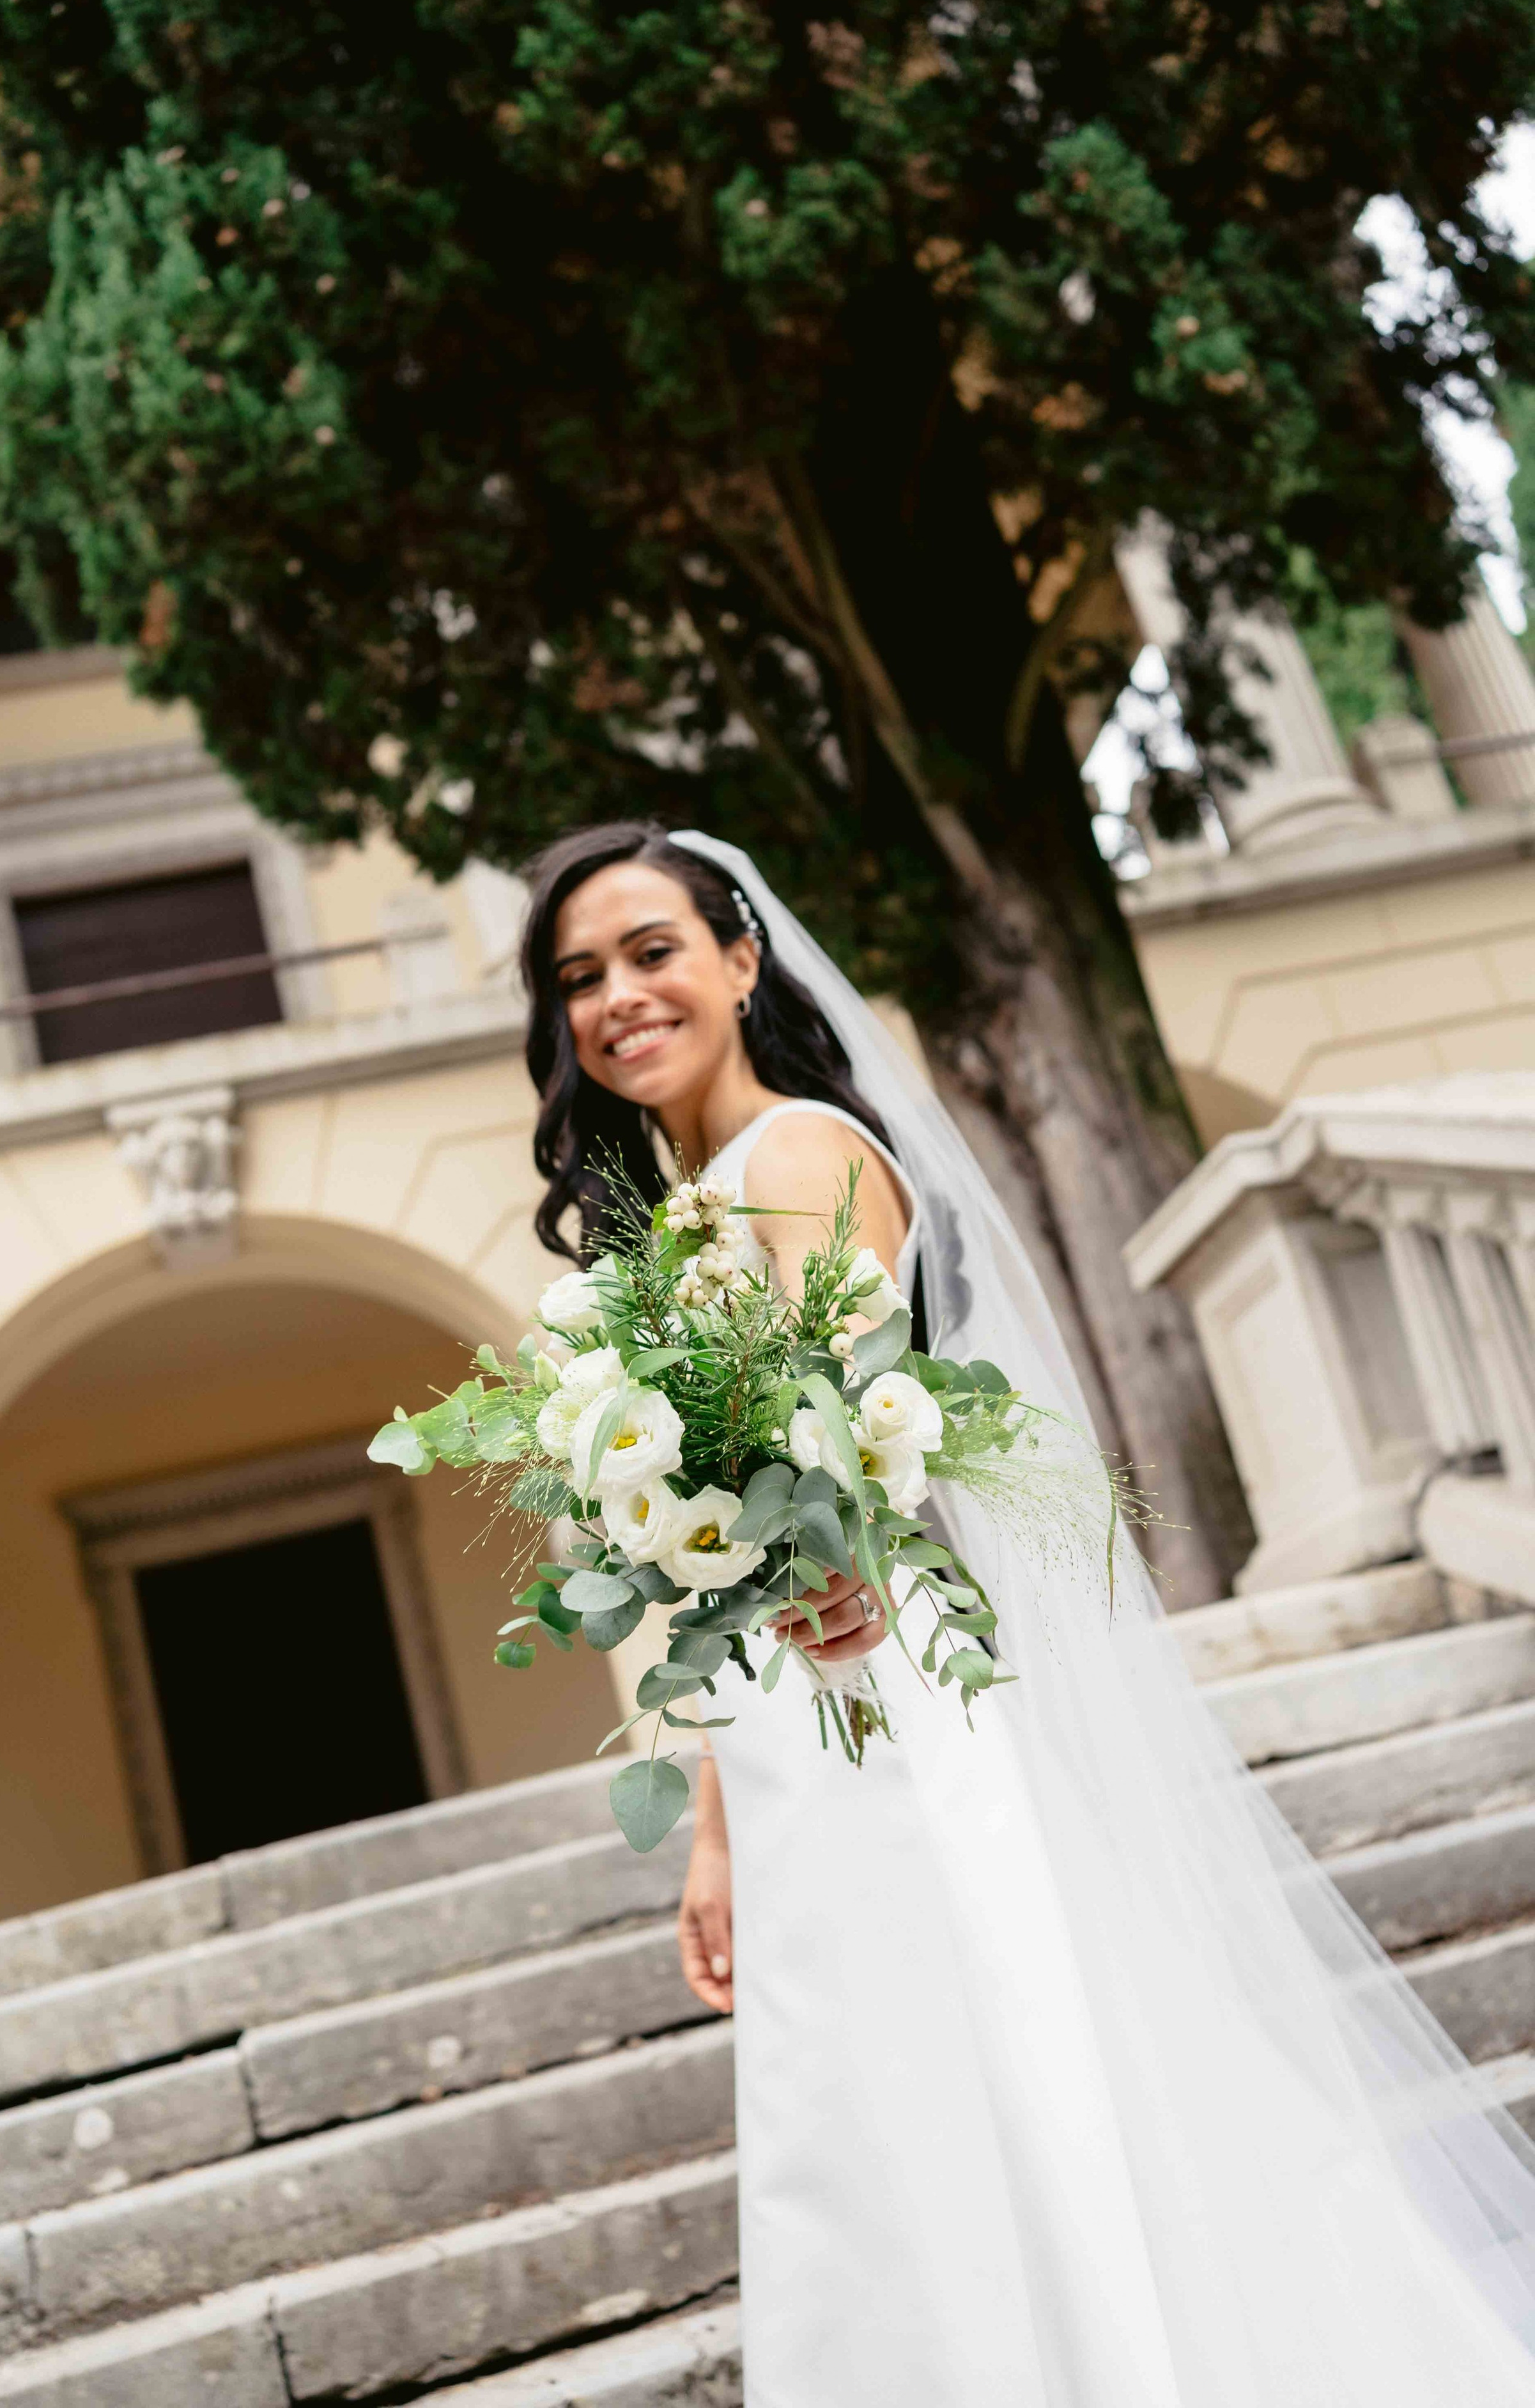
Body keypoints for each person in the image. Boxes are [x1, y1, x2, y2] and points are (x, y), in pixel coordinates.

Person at [519, 819, 1535, 2407]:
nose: (616, 998)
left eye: (650, 952)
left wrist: (824, 1556)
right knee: (881, 2100)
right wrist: (715, 1820)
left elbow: (816, 1465)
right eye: (578, 977)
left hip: (875, 1708)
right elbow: (724, 1533)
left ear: (738, 958)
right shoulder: (681, 1214)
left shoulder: (798, 1153)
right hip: (793, 1729)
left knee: (953, 2080)